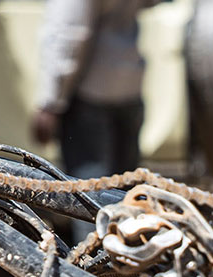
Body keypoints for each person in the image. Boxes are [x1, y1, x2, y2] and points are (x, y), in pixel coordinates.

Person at [32, 0, 153, 239]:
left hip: (90, 93)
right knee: (124, 202)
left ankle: (95, 274)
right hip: (129, 80)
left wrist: (51, 102)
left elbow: (70, 33)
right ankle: (127, 273)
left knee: (91, 205)